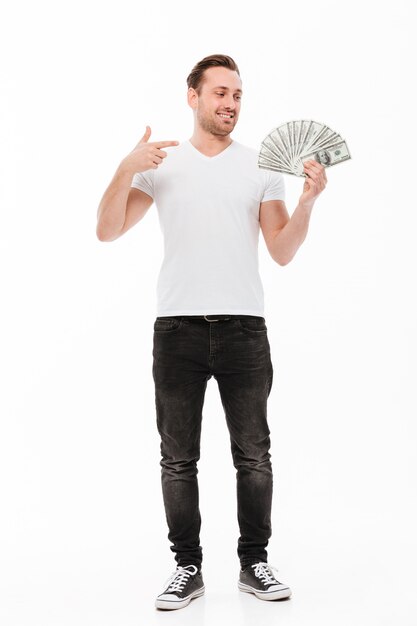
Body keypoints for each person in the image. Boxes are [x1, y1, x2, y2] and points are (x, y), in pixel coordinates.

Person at [96, 53, 327, 611]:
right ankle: (188, 568)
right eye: (220, 92)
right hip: (176, 329)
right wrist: (125, 167)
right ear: (193, 97)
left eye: (238, 94)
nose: (231, 103)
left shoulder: (261, 166)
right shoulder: (161, 164)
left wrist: (308, 201)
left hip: (244, 329)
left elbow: (281, 251)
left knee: (254, 454)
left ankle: (254, 564)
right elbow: (107, 231)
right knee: (178, 458)